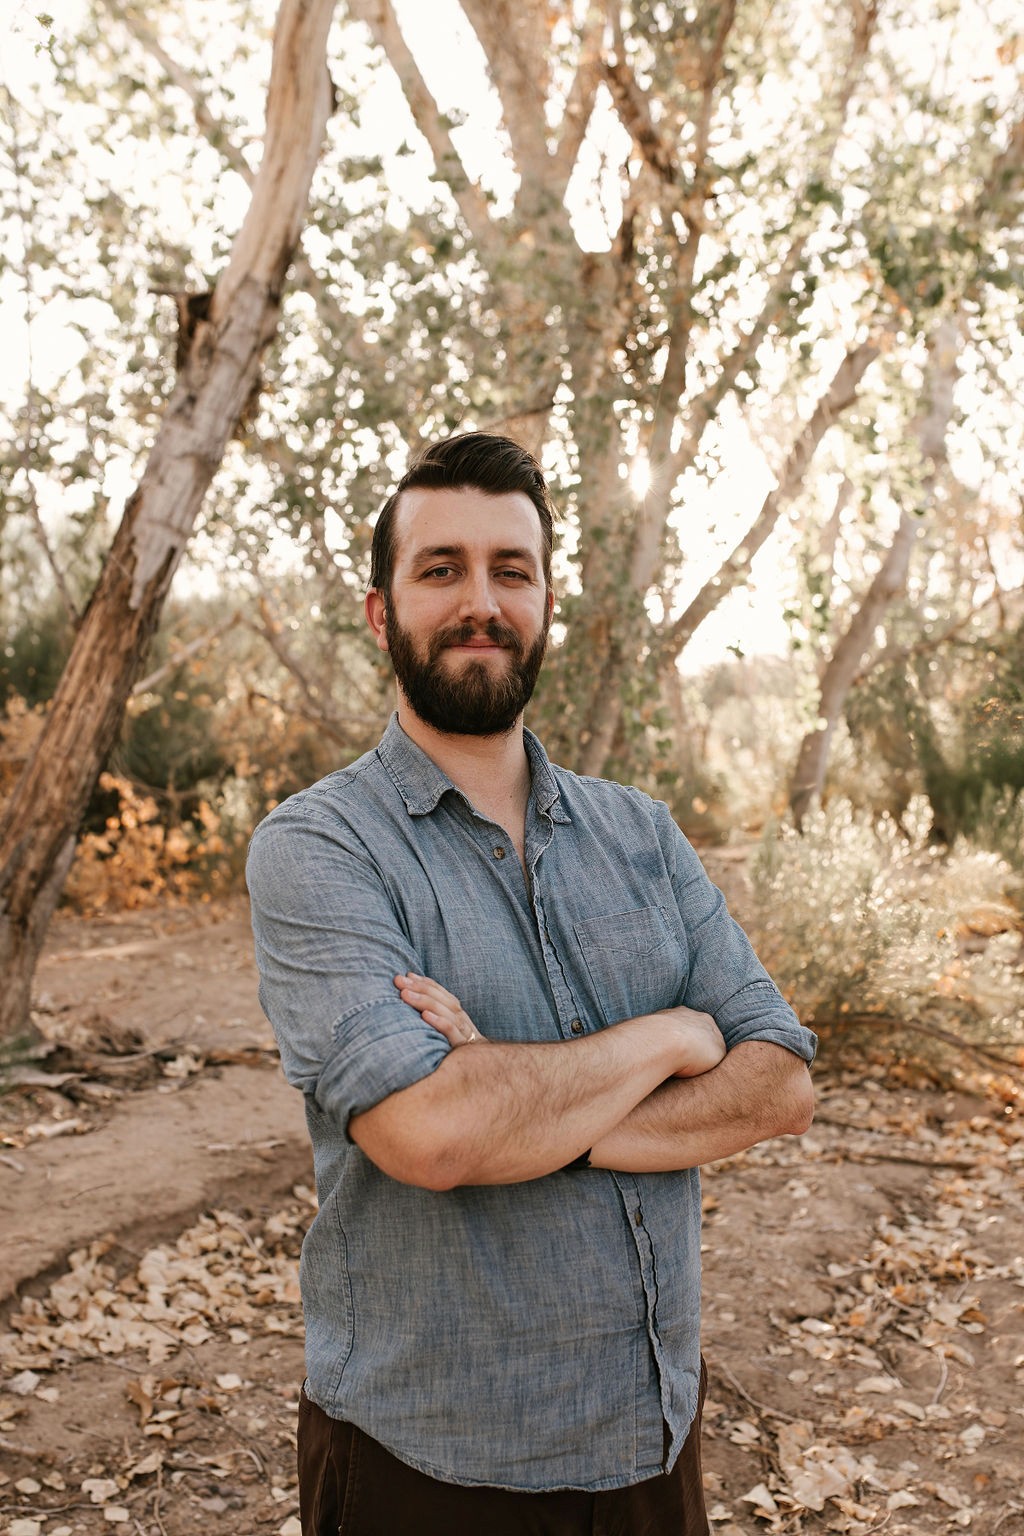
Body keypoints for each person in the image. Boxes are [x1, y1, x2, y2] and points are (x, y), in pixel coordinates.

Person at [246, 432, 817, 1536]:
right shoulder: (318, 848)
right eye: (441, 568)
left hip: (651, 1440)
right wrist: (669, 1034)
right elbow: (430, 1139)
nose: (481, 601)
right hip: (429, 1465)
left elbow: (779, 1085)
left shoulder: (638, 832)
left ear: (548, 602)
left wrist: (518, 1106)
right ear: (381, 614)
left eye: (511, 569)